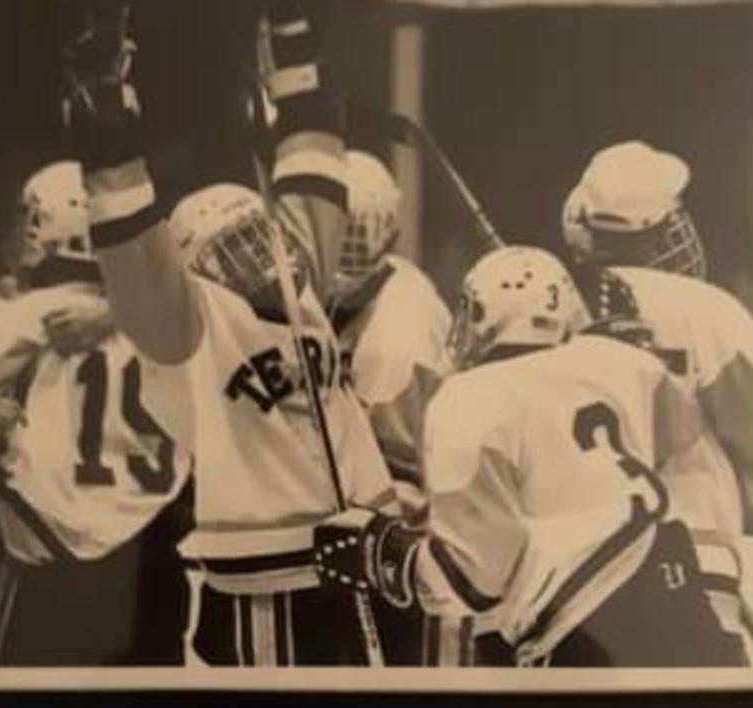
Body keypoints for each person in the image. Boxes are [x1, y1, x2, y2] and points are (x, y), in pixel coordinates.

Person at [61, 0, 399, 665]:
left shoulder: (300, 281)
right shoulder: (187, 329)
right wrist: (106, 115)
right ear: (192, 268)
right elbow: (132, 236)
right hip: (260, 582)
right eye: (228, 248)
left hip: (352, 557)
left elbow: (313, 182)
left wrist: (297, 45)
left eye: (255, 236)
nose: (253, 254)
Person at [314, 246, 748, 666]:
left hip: (585, 620)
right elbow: (688, 454)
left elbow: (474, 581)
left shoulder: (465, 397)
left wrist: (387, 553)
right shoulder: (624, 362)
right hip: (682, 582)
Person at [0, 161, 193, 665]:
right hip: (157, 574)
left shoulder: (3, 325)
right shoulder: (176, 325)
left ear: (44, 228)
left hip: (49, 579)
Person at [562, 140, 753, 652]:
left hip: (577, 580)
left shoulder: (554, 306)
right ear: (659, 228)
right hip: (697, 558)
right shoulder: (708, 311)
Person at [327, 148, 454, 664]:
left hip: (400, 533)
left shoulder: (395, 334)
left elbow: (399, 478)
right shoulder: (366, 287)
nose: (341, 242)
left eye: (349, 230)